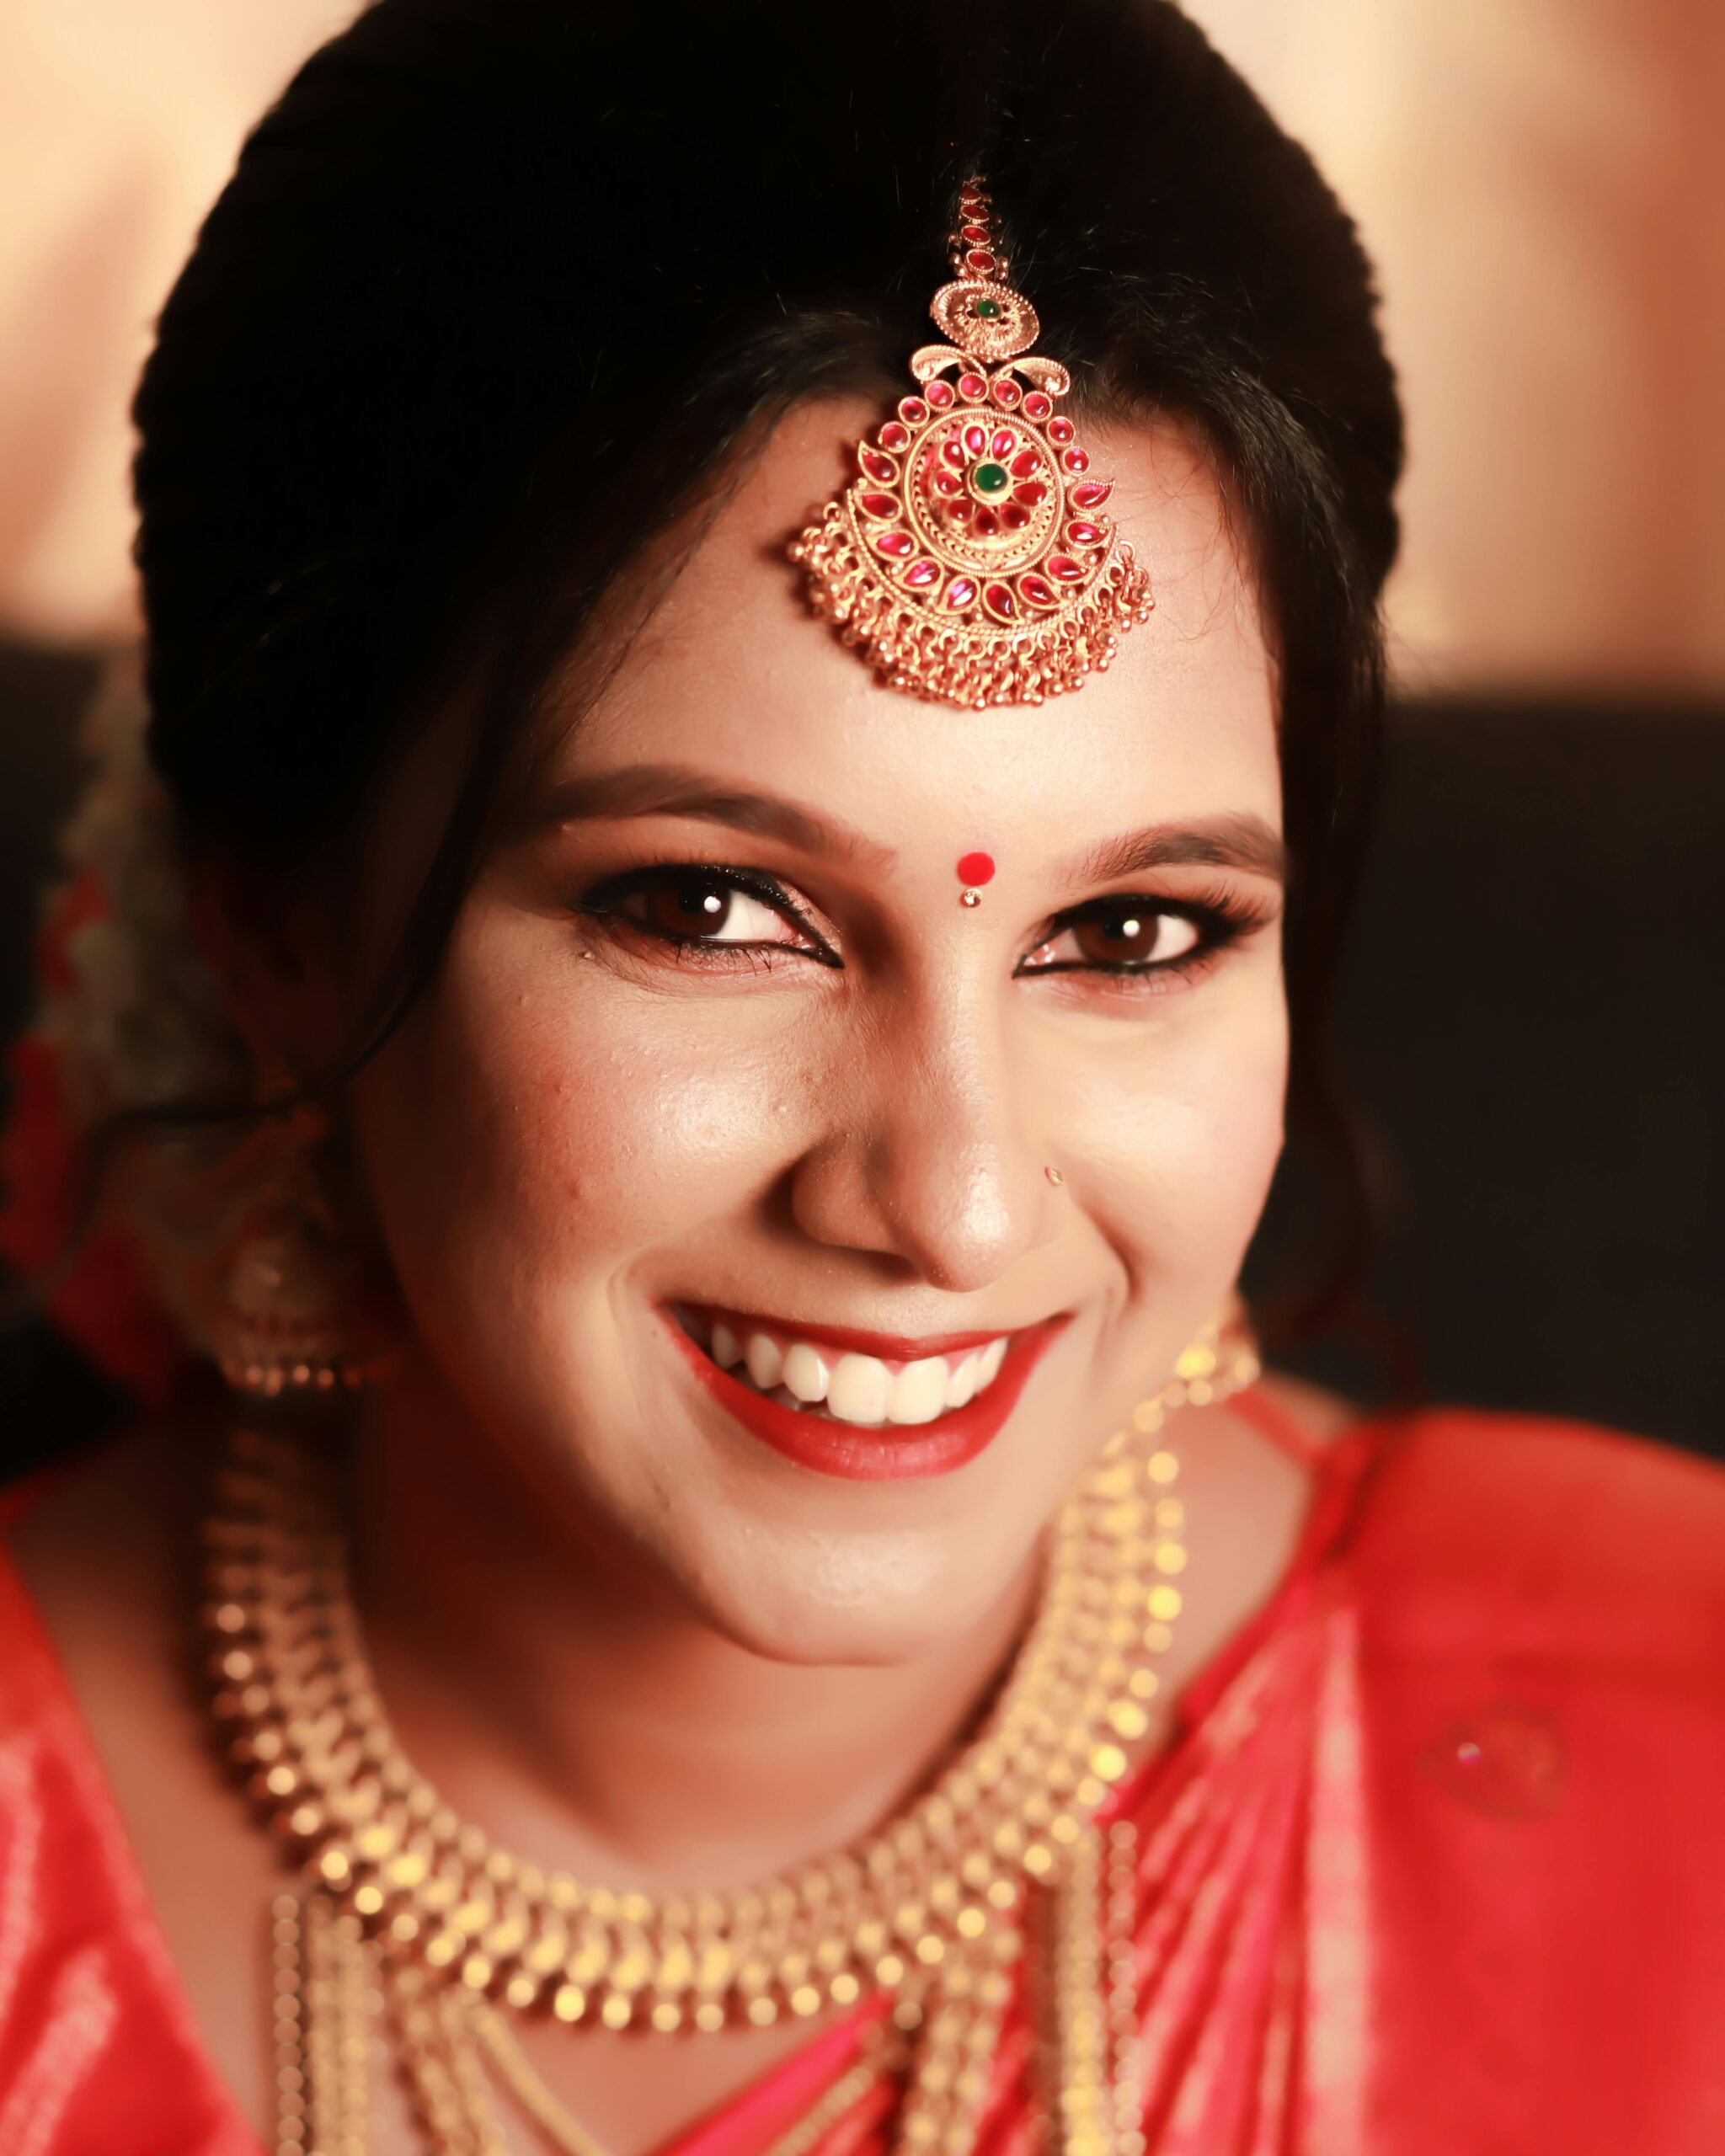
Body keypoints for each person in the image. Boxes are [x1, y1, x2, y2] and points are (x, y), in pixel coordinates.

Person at [2, 3, 1722, 2151]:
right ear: (277, 928)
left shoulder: (1679, 1751)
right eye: (711, 909)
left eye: (1132, 932)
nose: (957, 1201)